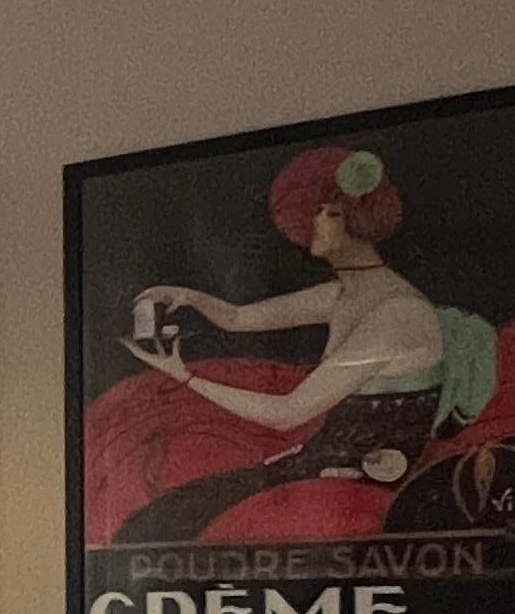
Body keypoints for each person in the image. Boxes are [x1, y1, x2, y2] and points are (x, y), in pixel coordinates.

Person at [112, 144, 492, 543]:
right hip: (322, 464)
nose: (314, 222)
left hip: (359, 482)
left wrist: (185, 377)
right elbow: (239, 318)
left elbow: (286, 413)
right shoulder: (343, 294)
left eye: (328, 213)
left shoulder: (397, 313)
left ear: (359, 220)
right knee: (171, 512)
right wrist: (187, 296)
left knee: (186, 519)